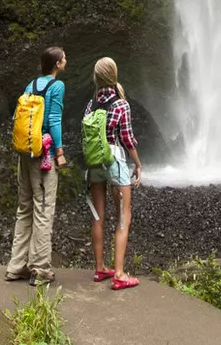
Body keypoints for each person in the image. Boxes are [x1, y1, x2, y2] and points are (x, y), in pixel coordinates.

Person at [5, 45, 67, 285]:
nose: (66, 60)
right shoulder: (57, 86)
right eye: (64, 58)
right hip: (44, 155)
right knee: (43, 209)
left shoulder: (31, 85)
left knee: (24, 208)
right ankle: (40, 269)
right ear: (58, 64)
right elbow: (53, 119)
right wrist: (59, 151)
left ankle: (16, 266)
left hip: (25, 152)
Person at [82, 56, 142, 290]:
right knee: (123, 216)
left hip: (95, 162)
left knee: (98, 215)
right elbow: (127, 138)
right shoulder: (120, 104)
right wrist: (137, 163)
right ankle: (119, 273)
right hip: (115, 161)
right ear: (114, 75)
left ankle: (100, 268)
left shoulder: (91, 104)